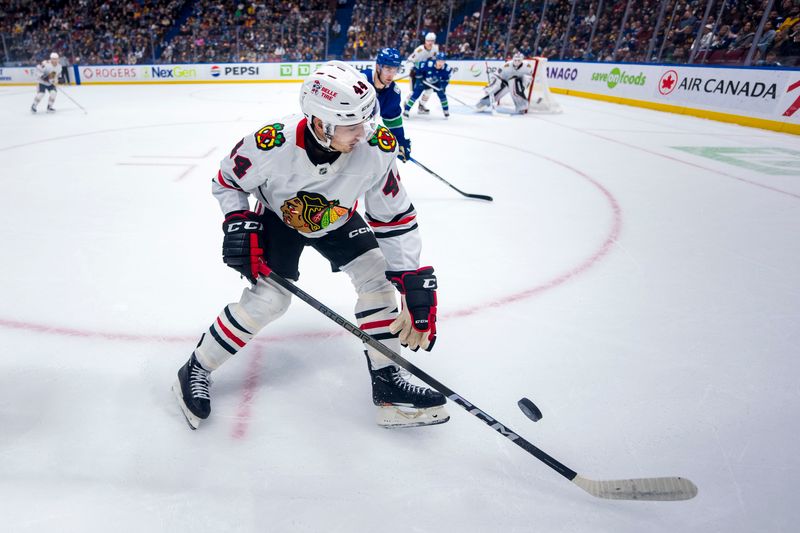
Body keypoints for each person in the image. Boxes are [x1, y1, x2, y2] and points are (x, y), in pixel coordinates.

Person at [172, 61, 448, 431]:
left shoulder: (377, 146)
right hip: (280, 219)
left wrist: (409, 276)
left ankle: (388, 387)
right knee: (270, 301)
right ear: (321, 123)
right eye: (352, 126)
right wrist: (237, 223)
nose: (364, 133)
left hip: (337, 218)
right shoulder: (271, 142)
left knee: (378, 280)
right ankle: (196, 366)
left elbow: (393, 216)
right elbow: (227, 180)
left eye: (367, 121)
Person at [362, 47, 412, 162]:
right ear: (378, 67)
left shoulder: (393, 94)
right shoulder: (361, 80)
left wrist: (400, 142)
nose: (391, 74)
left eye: (395, 70)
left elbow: (393, 122)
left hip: (362, 137)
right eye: (388, 69)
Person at [403, 52, 451, 118]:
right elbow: (417, 65)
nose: (440, 63)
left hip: (435, 83)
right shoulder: (429, 64)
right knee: (415, 94)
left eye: (442, 61)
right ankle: (406, 110)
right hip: (422, 81)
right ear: (436, 60)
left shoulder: (446, 69)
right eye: (439, 61)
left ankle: (446, 111)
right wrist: (419, 75)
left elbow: (446, 80)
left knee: (442, 94)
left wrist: (443, 86)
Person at [404, 32, 439, 115]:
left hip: (427, 74)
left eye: (432, 41)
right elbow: (409, 60)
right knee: (414, 92)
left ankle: (421, 106)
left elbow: (435, 60)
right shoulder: (419, 50)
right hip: (416, 74)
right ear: (425, 41)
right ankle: (406, 103)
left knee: (429, 90)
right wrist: (419, 66)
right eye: (428, 41)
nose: (430, 43)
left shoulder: (435, 48)